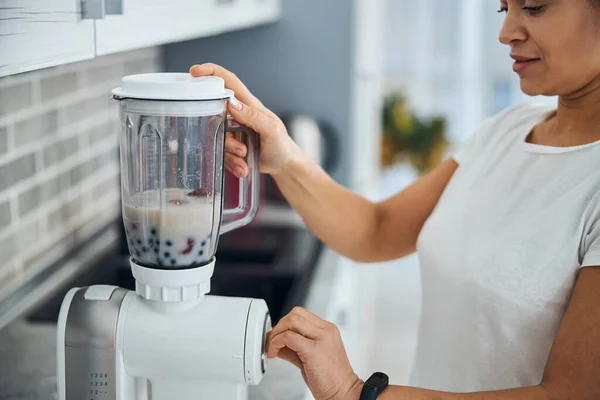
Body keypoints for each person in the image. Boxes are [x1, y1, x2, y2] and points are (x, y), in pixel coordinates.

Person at [191, 0, 600, 398]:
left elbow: (572, 392)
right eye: (503, 8)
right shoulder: (507, 130)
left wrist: (353, 393)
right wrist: (283, 157)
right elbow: (377, 230)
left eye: (534, 7)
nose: (506, 32)